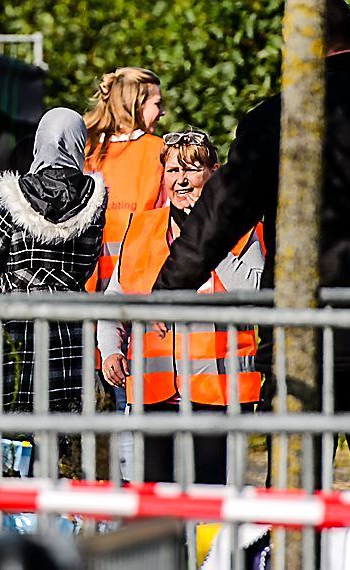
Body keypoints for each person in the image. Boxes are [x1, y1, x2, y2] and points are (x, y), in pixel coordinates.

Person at [152, 0, 350, 488]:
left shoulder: (282, 115)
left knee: (296, 485)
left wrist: (170, 288)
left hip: (303, 320)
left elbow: (223, 209)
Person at [98, 130, 264, 483]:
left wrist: (208, 240)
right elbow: (116, 299)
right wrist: (110, 349)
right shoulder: (141, 228)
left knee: (209, 507)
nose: (181, 180)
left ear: (214, 173)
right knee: (155, 507)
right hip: (153, 394)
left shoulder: (244, 228)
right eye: (173, 170)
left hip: (217, 395)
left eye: (191, 169)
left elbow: (252, 291)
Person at [0, 108, 107, 415]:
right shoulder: (94, 197)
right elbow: (87, 264)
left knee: (15, 422)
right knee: (64, 425)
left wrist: (8, 280)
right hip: (70, 324)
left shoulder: (16, 195)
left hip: (19, 321)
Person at [83, 67, 165, 293]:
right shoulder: (159, 151)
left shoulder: (86, 150)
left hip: (88, 285)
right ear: (137, 104)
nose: (163, 112)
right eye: (157, 104)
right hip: (141, 281)